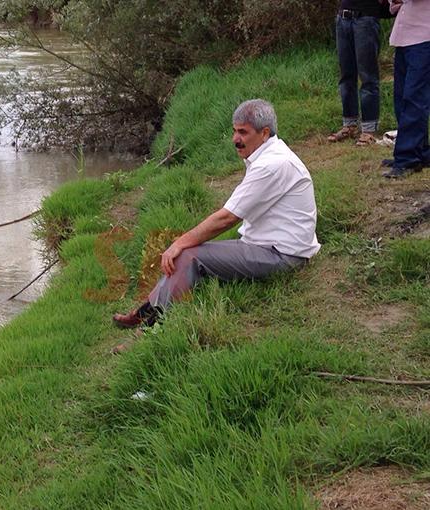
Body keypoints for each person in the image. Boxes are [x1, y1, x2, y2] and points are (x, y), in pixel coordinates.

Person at [112, 99, 321, 330]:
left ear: (264, 133)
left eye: (243, 132)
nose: (235, 139)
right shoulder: (268, 155)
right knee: (189, 255)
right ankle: (145, 312)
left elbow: (227, 218)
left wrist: (179, 242)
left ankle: (151, 327)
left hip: (282, 256)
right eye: (234, 131)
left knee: (189, 256)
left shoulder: (271, 165)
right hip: (270, 247)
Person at [328, 0, 387, 146]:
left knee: (368, 77)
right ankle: (350, 125)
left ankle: (368, 130)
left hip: (365, 18)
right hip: (343, 17)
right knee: (346, 76)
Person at [382, 0, 430, 179]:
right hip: (405, 36)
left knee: (414, 98)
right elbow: (396, 6)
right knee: (402, 98)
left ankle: (408, 157)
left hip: (424, 36)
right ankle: (420, 152)